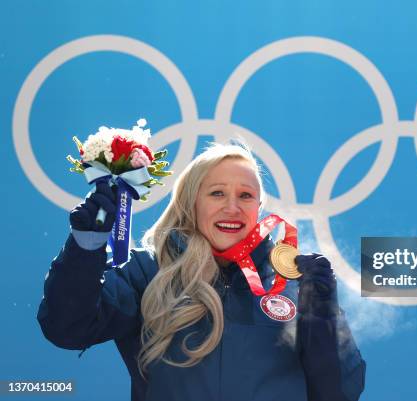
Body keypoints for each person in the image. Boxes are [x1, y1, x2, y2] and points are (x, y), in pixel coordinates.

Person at [37, 141, 366, 401]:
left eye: (246, 195)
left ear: (259, 208)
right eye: (217, 193)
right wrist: (85, 248)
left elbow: (338, 393)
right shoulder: (148, 271)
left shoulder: (292, 283)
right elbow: (68, 328)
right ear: (190, 202)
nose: (232, 207)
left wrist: (321, 318)